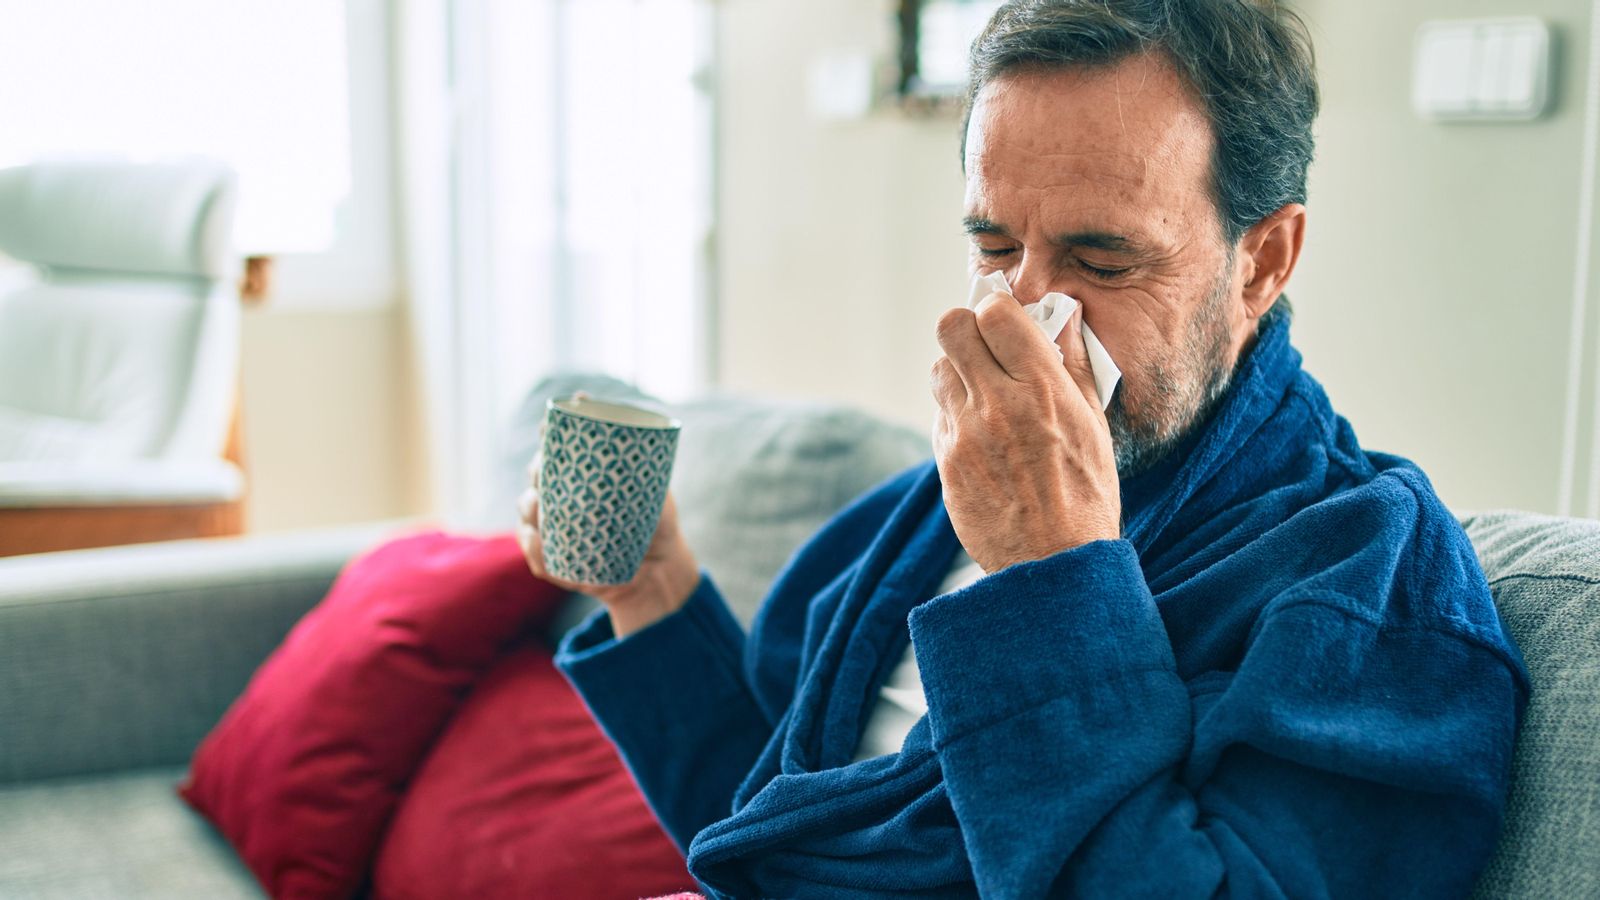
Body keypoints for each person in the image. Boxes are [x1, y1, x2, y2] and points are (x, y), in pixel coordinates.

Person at [517, 1, 1530, 896]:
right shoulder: (911, 523)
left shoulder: (1367, 588)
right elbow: (772, 836)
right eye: (995, 249)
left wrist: (1050, 578)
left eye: (1101, 258)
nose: (1029, 319)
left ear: (1262, 259)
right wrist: (652, 592)